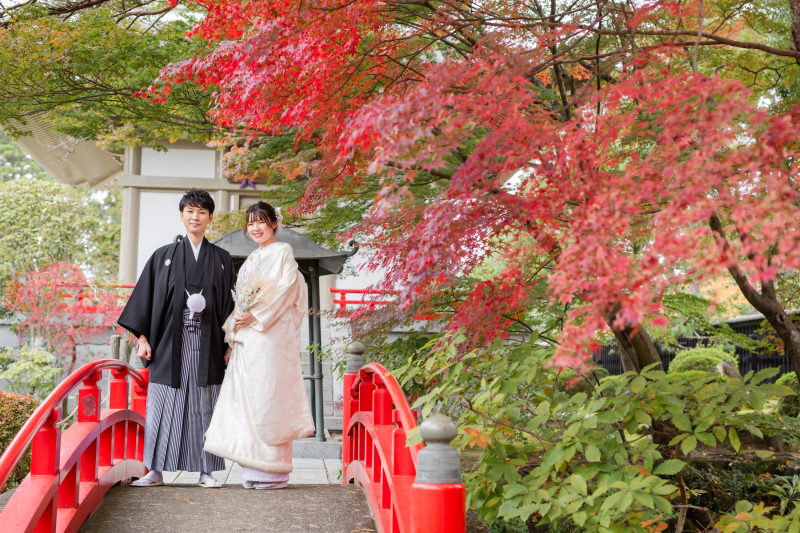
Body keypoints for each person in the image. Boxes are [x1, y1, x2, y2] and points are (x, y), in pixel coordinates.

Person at [118, 189, 236, 488]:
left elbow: (231, 306)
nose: (196, 217)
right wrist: (143, 339)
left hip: (209, 342)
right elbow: (144, 299)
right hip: (169, 341)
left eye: (202, 212)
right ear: (182, 215)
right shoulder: (163, 256)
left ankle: (207, 471)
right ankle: (155, 470)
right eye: (190, 211)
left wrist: (230, 345)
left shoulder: (222, 259)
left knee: (205, 404)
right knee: (163, 403)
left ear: (210, 218)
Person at [203, 201, 314, 490]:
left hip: (269, 337)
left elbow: (287, 290)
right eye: (251, 223)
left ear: (274, 223)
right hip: (248, 339)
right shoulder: (252, 258)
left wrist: (257, 316)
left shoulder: (283, 251)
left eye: (261, 221)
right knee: (246, 401)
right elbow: (241, 301)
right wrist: (233, 334)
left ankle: (274, 472)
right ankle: (252, 470)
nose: (255, 228)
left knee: (268, 397)